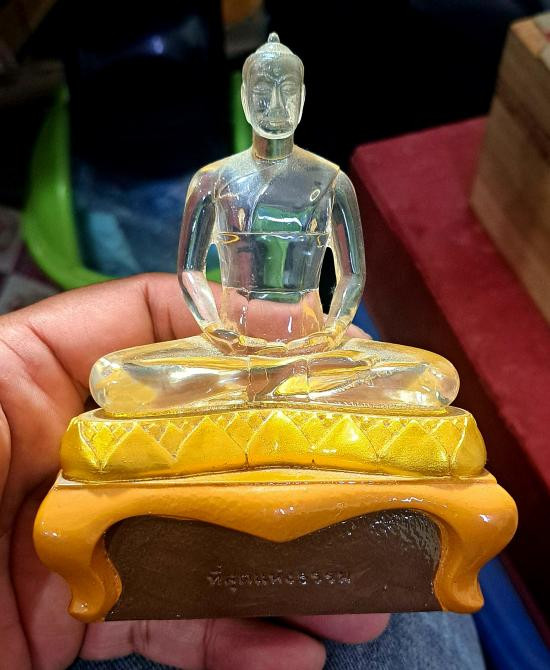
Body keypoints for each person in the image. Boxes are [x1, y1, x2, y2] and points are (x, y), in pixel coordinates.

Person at [0, 273, 485, 670]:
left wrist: (324, 335)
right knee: (114, 378)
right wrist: (223, 335)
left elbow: (349, 277)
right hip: (224, 356)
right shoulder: (217, 187)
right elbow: (192, 275)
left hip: (317, 349)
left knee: (432, 378)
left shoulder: (328, 187)